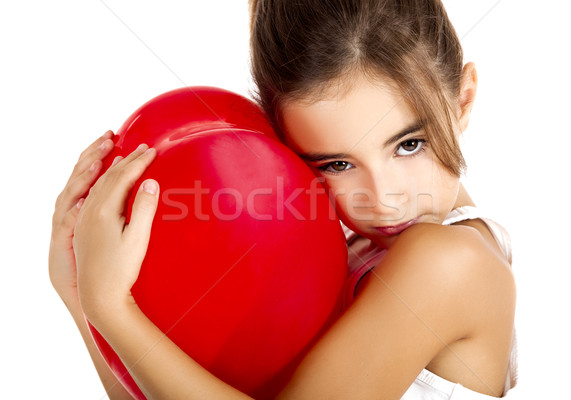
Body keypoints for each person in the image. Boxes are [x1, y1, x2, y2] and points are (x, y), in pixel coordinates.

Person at [49, 0, 517, 398]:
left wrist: (111, 308)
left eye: (408, 144)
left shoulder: (448, 262)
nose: (384, 200)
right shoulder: (353, 250)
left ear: (463, 98)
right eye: (336, 164)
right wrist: (82, 295)